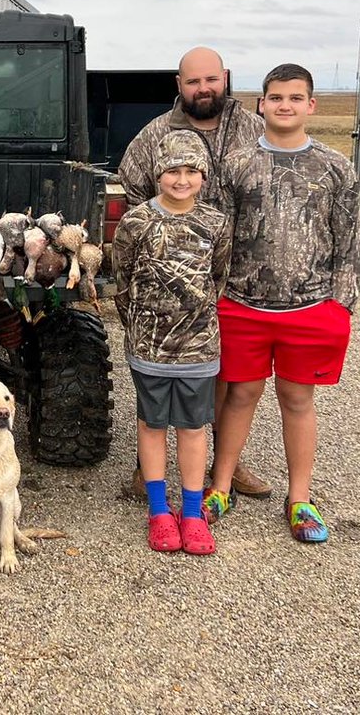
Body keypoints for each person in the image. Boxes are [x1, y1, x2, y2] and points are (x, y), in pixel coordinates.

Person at [202, 64, 360, 543]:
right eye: (275, 97)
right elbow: (217, 235)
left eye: (295, 97)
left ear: (311, 105)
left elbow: (349, 242)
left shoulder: (336, 167)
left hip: (311, 308)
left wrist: (341, 305)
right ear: (261, 104)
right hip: (243, 305)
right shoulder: (235, 164)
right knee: (240, 394)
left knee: (297, 399)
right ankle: (221, 485)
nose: (285, 105)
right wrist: (214, 296)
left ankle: (300, 498)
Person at [118, 45, 271, 501]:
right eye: (192, 81)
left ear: (224, 77)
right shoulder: (155, 134)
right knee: (162, 377)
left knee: (225, 377)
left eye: (210, 79)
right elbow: (132, 191)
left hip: (239, 274)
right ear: (179, 86)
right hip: (171, 283)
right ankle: (148, 471)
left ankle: (225, 464)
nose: (203, 89)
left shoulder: (254, 130)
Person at [112, 131, 231, 555]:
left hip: (199, 348)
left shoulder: (216, 223)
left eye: (191, 171)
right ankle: (160, 511)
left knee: (194, 427)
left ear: (203, 175)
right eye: (172, 171)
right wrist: (140, 328)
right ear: (158, 174)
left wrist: (194, 320)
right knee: (151, 424)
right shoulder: (136, 222)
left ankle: (194, 514)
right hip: (149, 348)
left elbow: (217, 278)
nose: (181, 180)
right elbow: (122, 280)